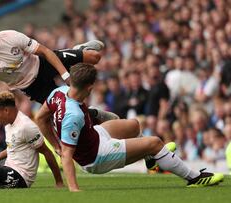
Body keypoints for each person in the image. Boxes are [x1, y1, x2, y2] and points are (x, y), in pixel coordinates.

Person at [35, 63, 224, 192]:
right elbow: (67, 156)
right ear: (90, 87)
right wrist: (74, 188)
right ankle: (194, 178)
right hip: (96, 157)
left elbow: (40, 117)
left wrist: (55, 144)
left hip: (95, 136)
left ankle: (153, 161)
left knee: (133, 126)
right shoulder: (73, 115)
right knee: (155, 143)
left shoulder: (58, 93)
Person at [0, 19, 118, 122]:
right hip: (32, 87)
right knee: (68, 113)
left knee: (95, 57)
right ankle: (97, 114)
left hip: (42, 64)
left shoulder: (11, 37)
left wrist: (65, 75)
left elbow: (45, 51)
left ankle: (79, 50)